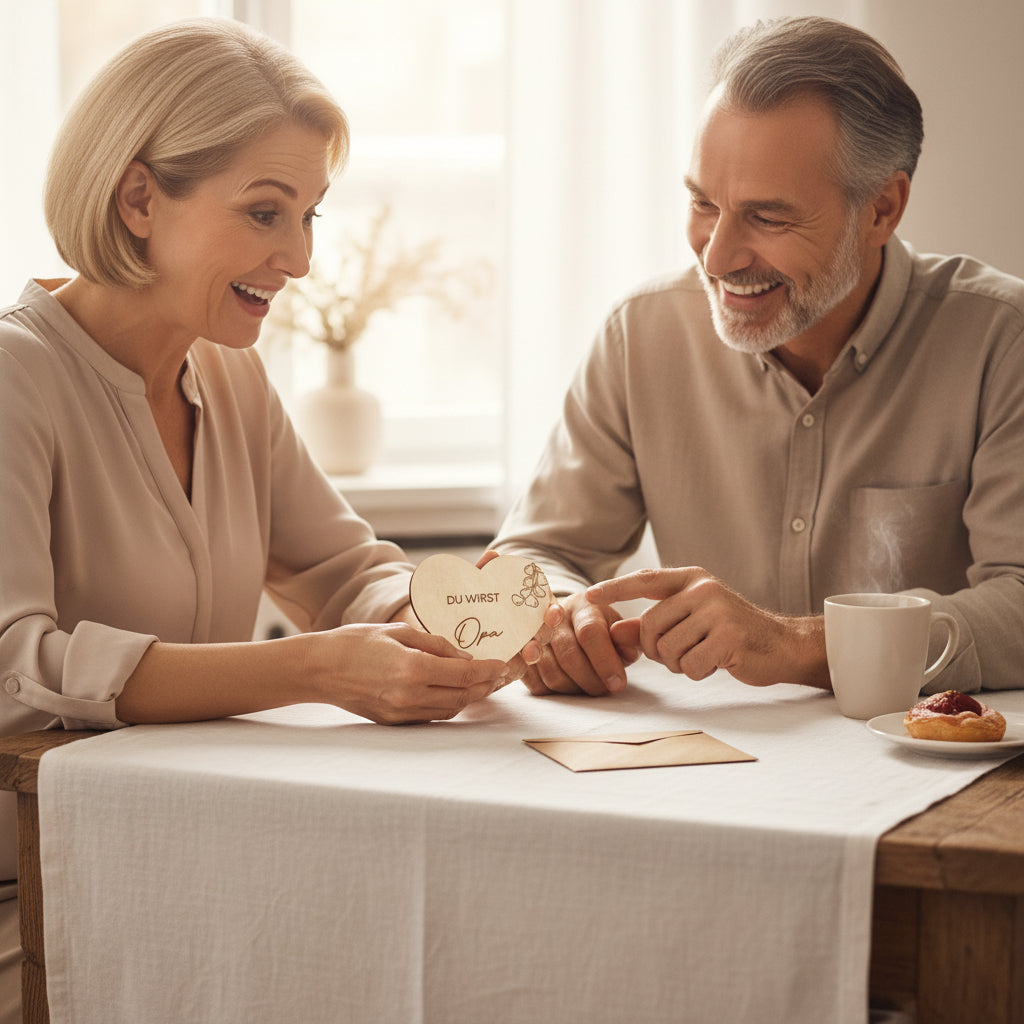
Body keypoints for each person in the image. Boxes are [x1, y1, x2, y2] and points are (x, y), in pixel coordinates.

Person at [0, 18, 557, 1021]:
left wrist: (451, 617)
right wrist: (314, 667)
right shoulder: (14, 378)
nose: (297, 257)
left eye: (309, 216)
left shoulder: (229, 374)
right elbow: (15, 667)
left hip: (191, 862)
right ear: (138, 199)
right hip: (34, 899)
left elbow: (345, 572)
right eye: (265, 212)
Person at [492, 15, 1024, 701]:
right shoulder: (641, 335)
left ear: (883, 210)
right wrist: (560, 619)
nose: (716, 257)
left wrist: (797, 644)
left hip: (941, 781)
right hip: (704, 777)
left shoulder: (1001, 340)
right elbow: (535, 555)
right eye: (702, 203)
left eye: (768, 217)